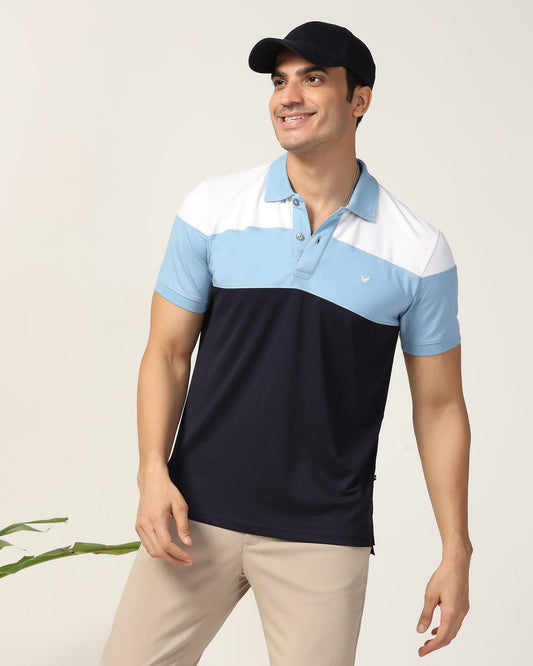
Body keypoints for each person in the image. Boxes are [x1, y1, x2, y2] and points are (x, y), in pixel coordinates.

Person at [99, 20, 473, 665]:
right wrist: (152, 472)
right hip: (192, 517)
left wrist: (455, 550)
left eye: (314, 78)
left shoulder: (417, 251)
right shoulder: (213, 209)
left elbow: (439, 408)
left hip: (322, 537)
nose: (288, 97)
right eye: (279, 81)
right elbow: (166, 352)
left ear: (360, 99)